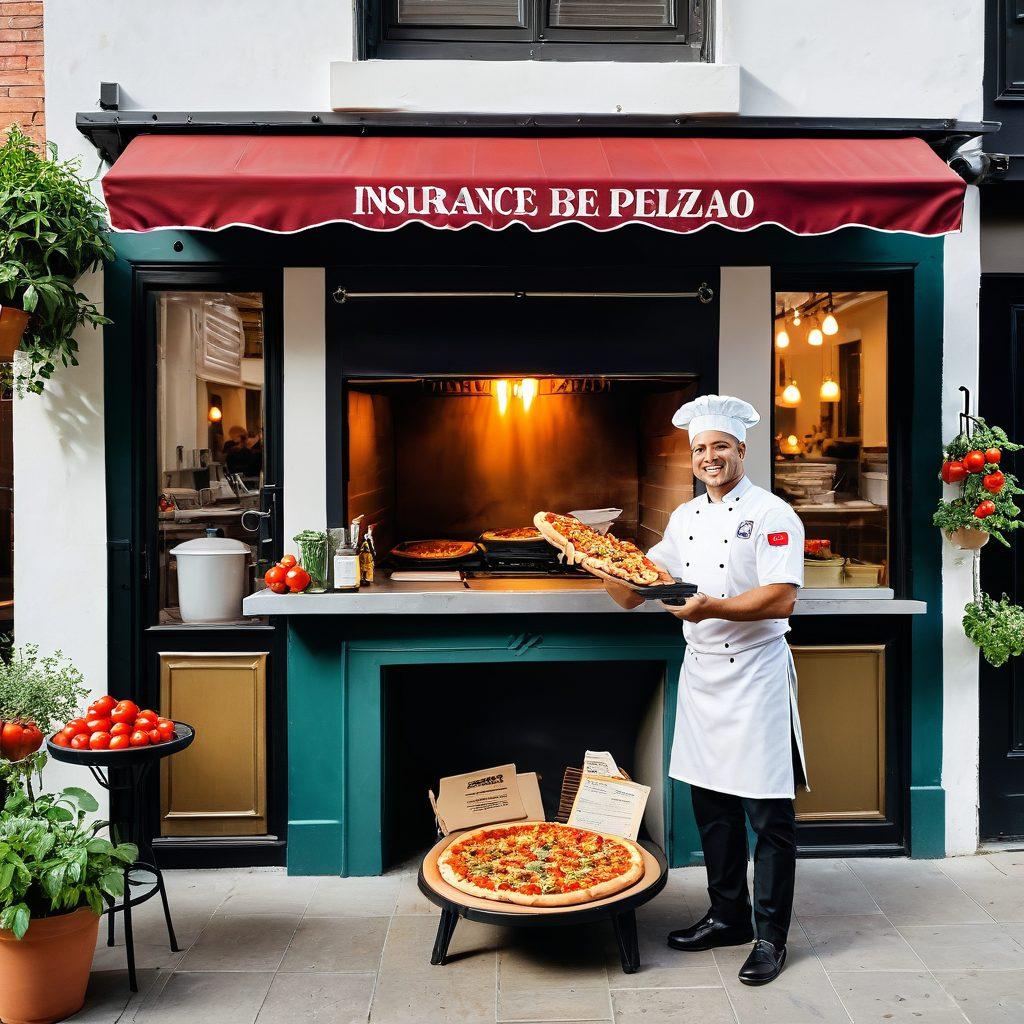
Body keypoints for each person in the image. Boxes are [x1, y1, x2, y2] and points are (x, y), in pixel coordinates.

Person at [647, 394, 807, 986]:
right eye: (699, 449)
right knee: (711, 807)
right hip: (704, 672)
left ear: (742, 449)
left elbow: (782, 595)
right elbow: (651, 577)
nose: (709, 457)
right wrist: (602, 566)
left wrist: (710, 606)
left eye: (719, 447)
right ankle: (727, 916)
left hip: (757, 672)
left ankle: (771, 937)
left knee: (768, 816)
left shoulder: (773, 515)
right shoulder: (685, 518)